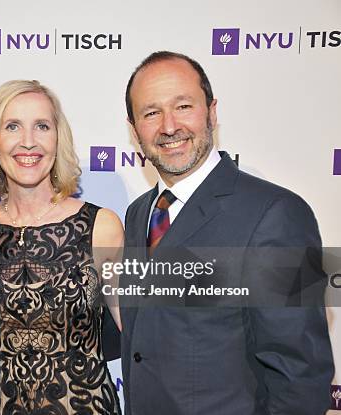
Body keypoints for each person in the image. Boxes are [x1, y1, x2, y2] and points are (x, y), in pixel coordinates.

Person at [120, 51, 334, 415]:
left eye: (183, 106)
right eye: (151, 112)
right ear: (134, 126)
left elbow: (300, 374)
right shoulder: (140, 213)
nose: (169, 126)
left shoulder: (276, 214)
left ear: (212, 112)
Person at [0, 80, 124, 414]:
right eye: (12, 126)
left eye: (42, 126)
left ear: (57, 139)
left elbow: (134, 327)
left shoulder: (101, 226)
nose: (28, 142)